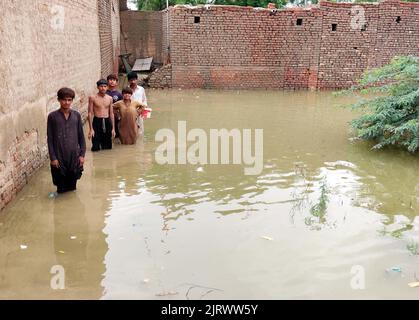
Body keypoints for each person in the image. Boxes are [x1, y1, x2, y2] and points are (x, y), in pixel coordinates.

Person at [47, 87, 86, 193]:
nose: (67, 102)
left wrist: (82, 155)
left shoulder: (76, 116)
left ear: (72, 100)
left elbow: (81, 137)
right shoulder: (52, 117)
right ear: (59, 100)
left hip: (74, 156)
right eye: (64, 100)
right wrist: (53, 158)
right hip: (59, 157)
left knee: (73, 186)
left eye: (69, 100)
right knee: (60, 187)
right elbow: (50, 139)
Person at [88, 79, 115, 151]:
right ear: (97, 87)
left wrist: (113, 129)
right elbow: (90, 113)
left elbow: (111, 114)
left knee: (107, 147)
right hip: (97, 121)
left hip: (107, 121)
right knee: (95, 146)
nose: (103, 88)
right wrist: (91, 129)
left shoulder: (110, 98)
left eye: (105, 86)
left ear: (107, 87)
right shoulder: (92, 98)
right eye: (101, 86)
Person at [106, 74, 123, 138]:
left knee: (116, 134)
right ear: (107, 81)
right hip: (106, 116)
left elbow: (121, 106)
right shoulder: (104, 93)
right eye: (110, 80)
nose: (112, 81)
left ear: (117, 82)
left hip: (115, 117)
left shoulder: (119, 94)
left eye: (114, 80)